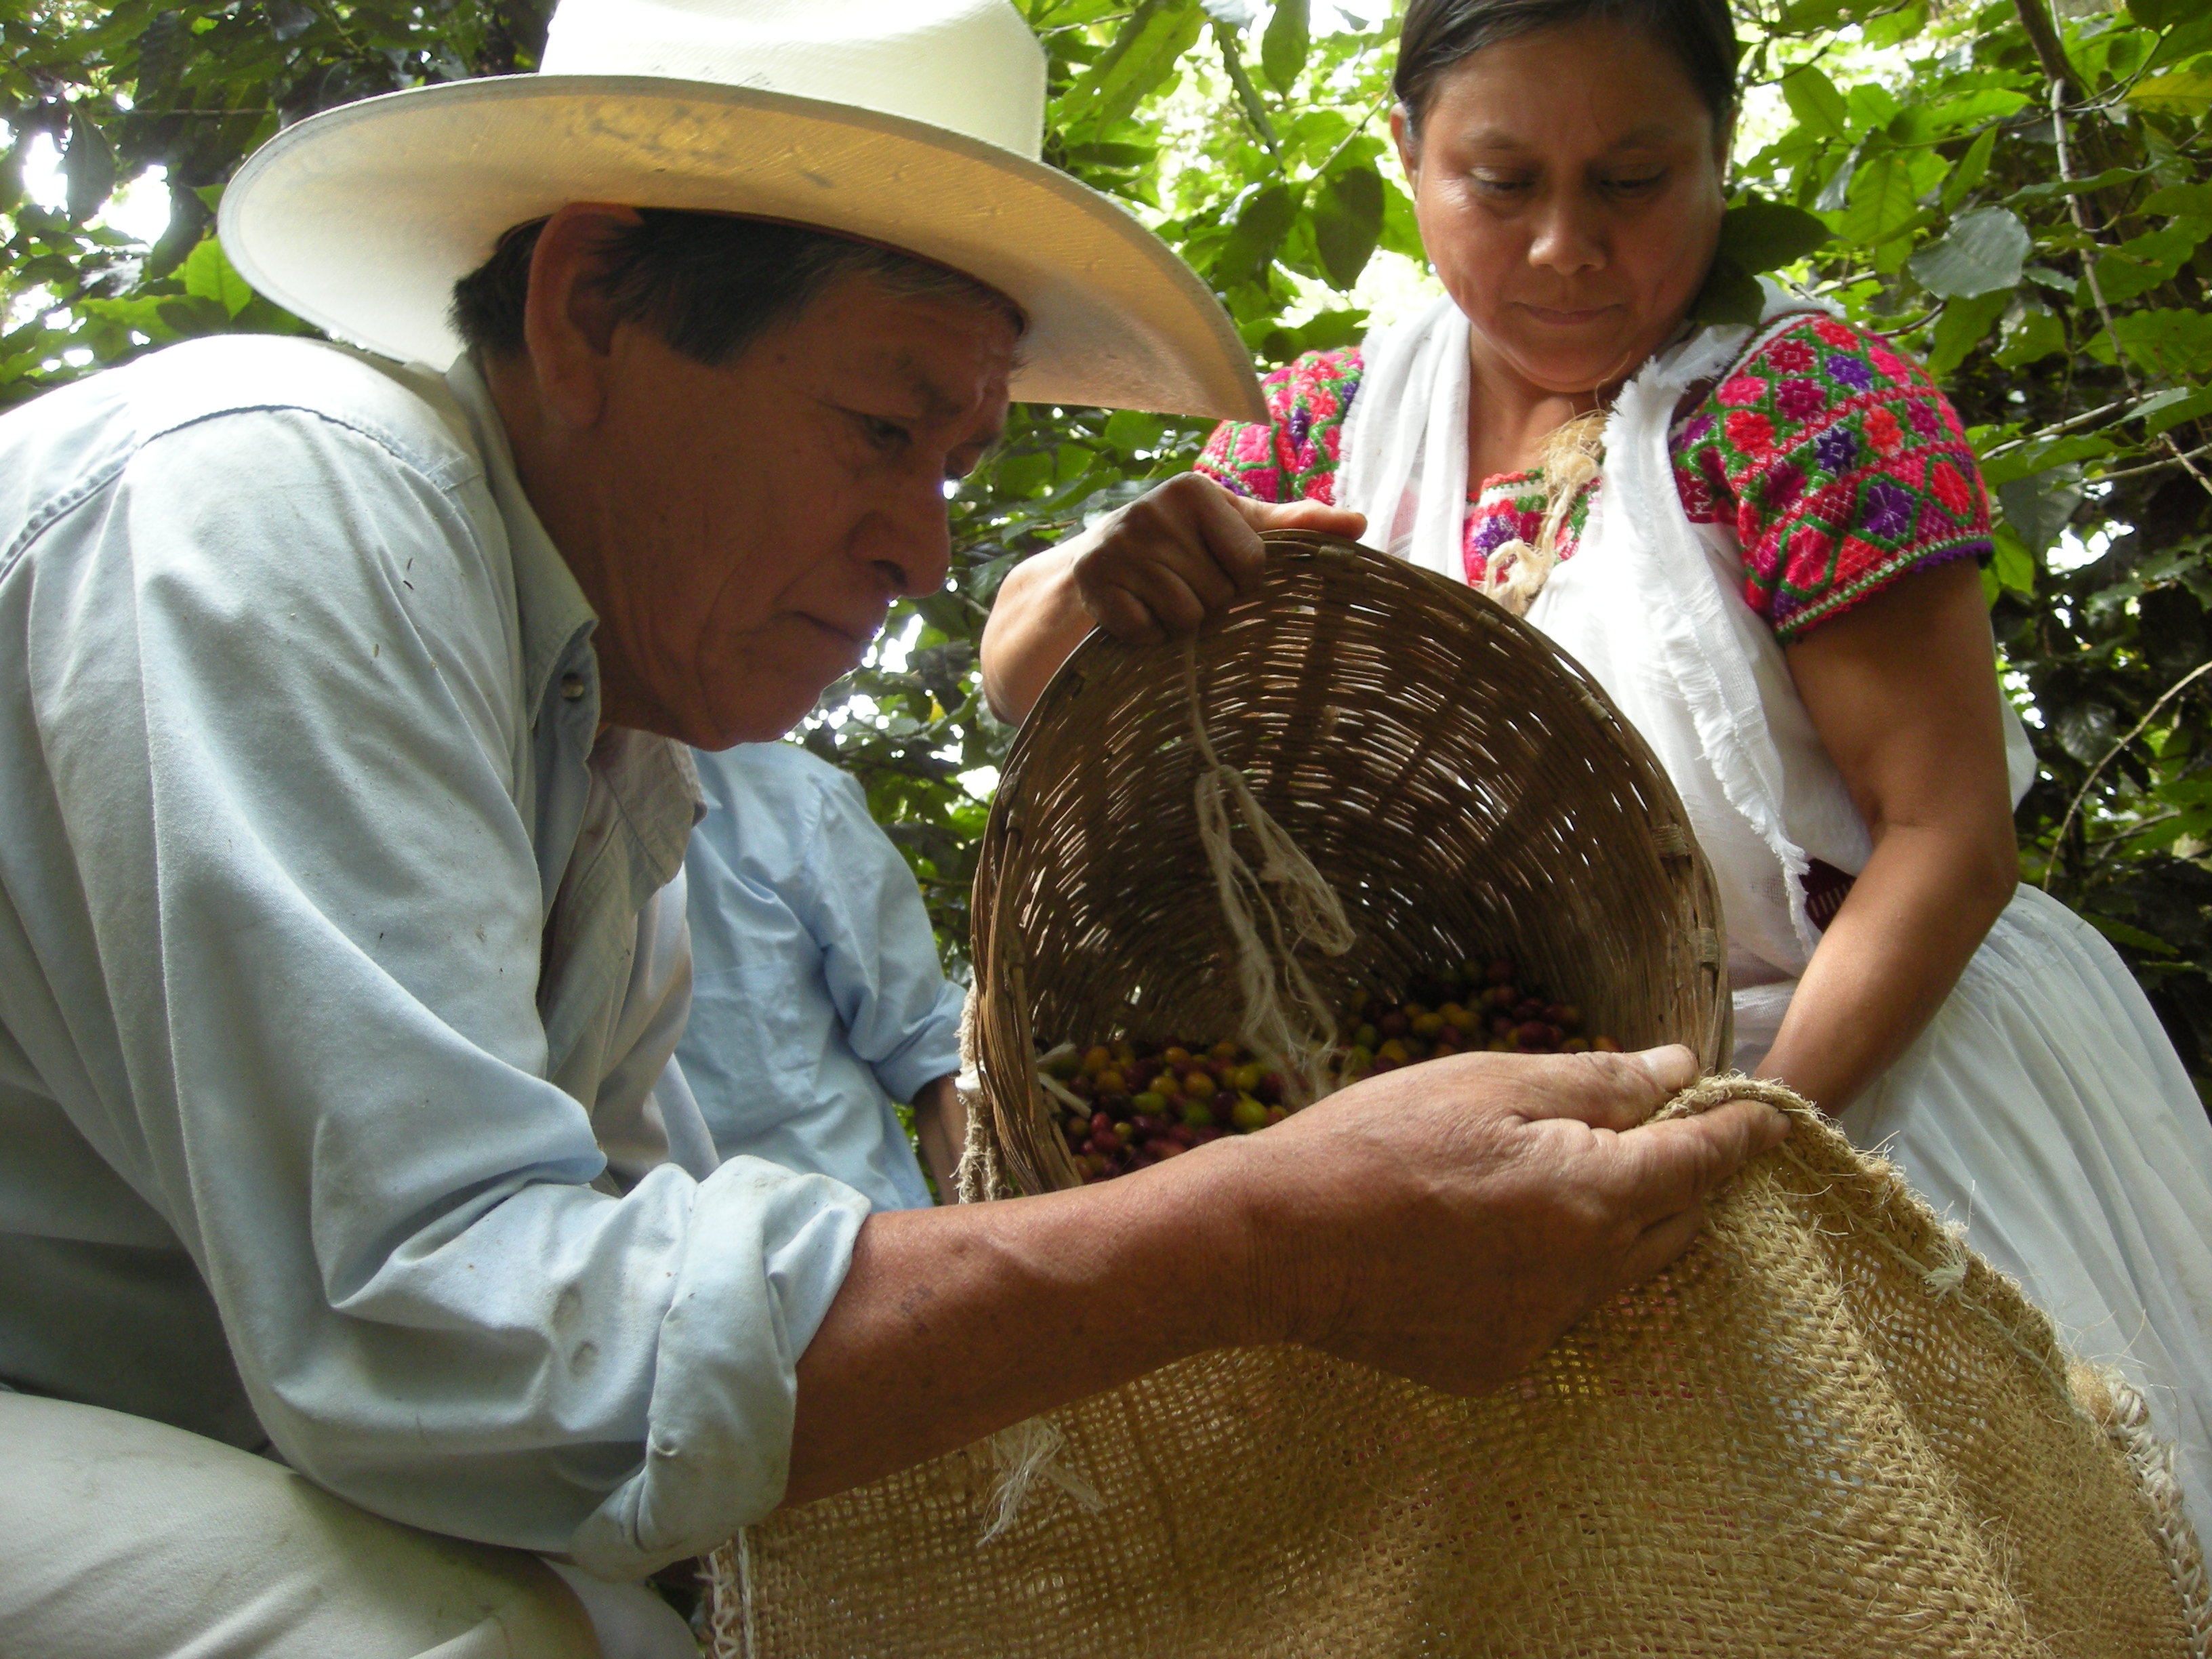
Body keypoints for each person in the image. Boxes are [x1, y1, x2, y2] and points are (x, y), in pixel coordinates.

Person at [0, 0, 1787, 1654]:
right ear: (586, 307)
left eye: (957, 467)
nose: (924, 552)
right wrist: (1261, 1233)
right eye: (880, 428)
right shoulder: (270, 513)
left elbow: (632, 1330)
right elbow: (458, 1335)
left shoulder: (606, 742)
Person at [981, 0, 2212, 1529]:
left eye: (1633, 181)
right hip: (1512, 1122)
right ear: (1407, 158)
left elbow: (1945, 834)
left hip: (1855, 1074)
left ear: (1719, 160)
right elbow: (1022, 668)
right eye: (1503, 184)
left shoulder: (1803, 415)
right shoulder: (1322, 429)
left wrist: (1742, 1145)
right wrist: (1103, 560)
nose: (1568, 247)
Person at [680, 740, 966, 1205]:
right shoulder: (532, 827)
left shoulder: (796, 801)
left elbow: (929, 1049)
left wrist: (981, 1246)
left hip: (872, 1251)